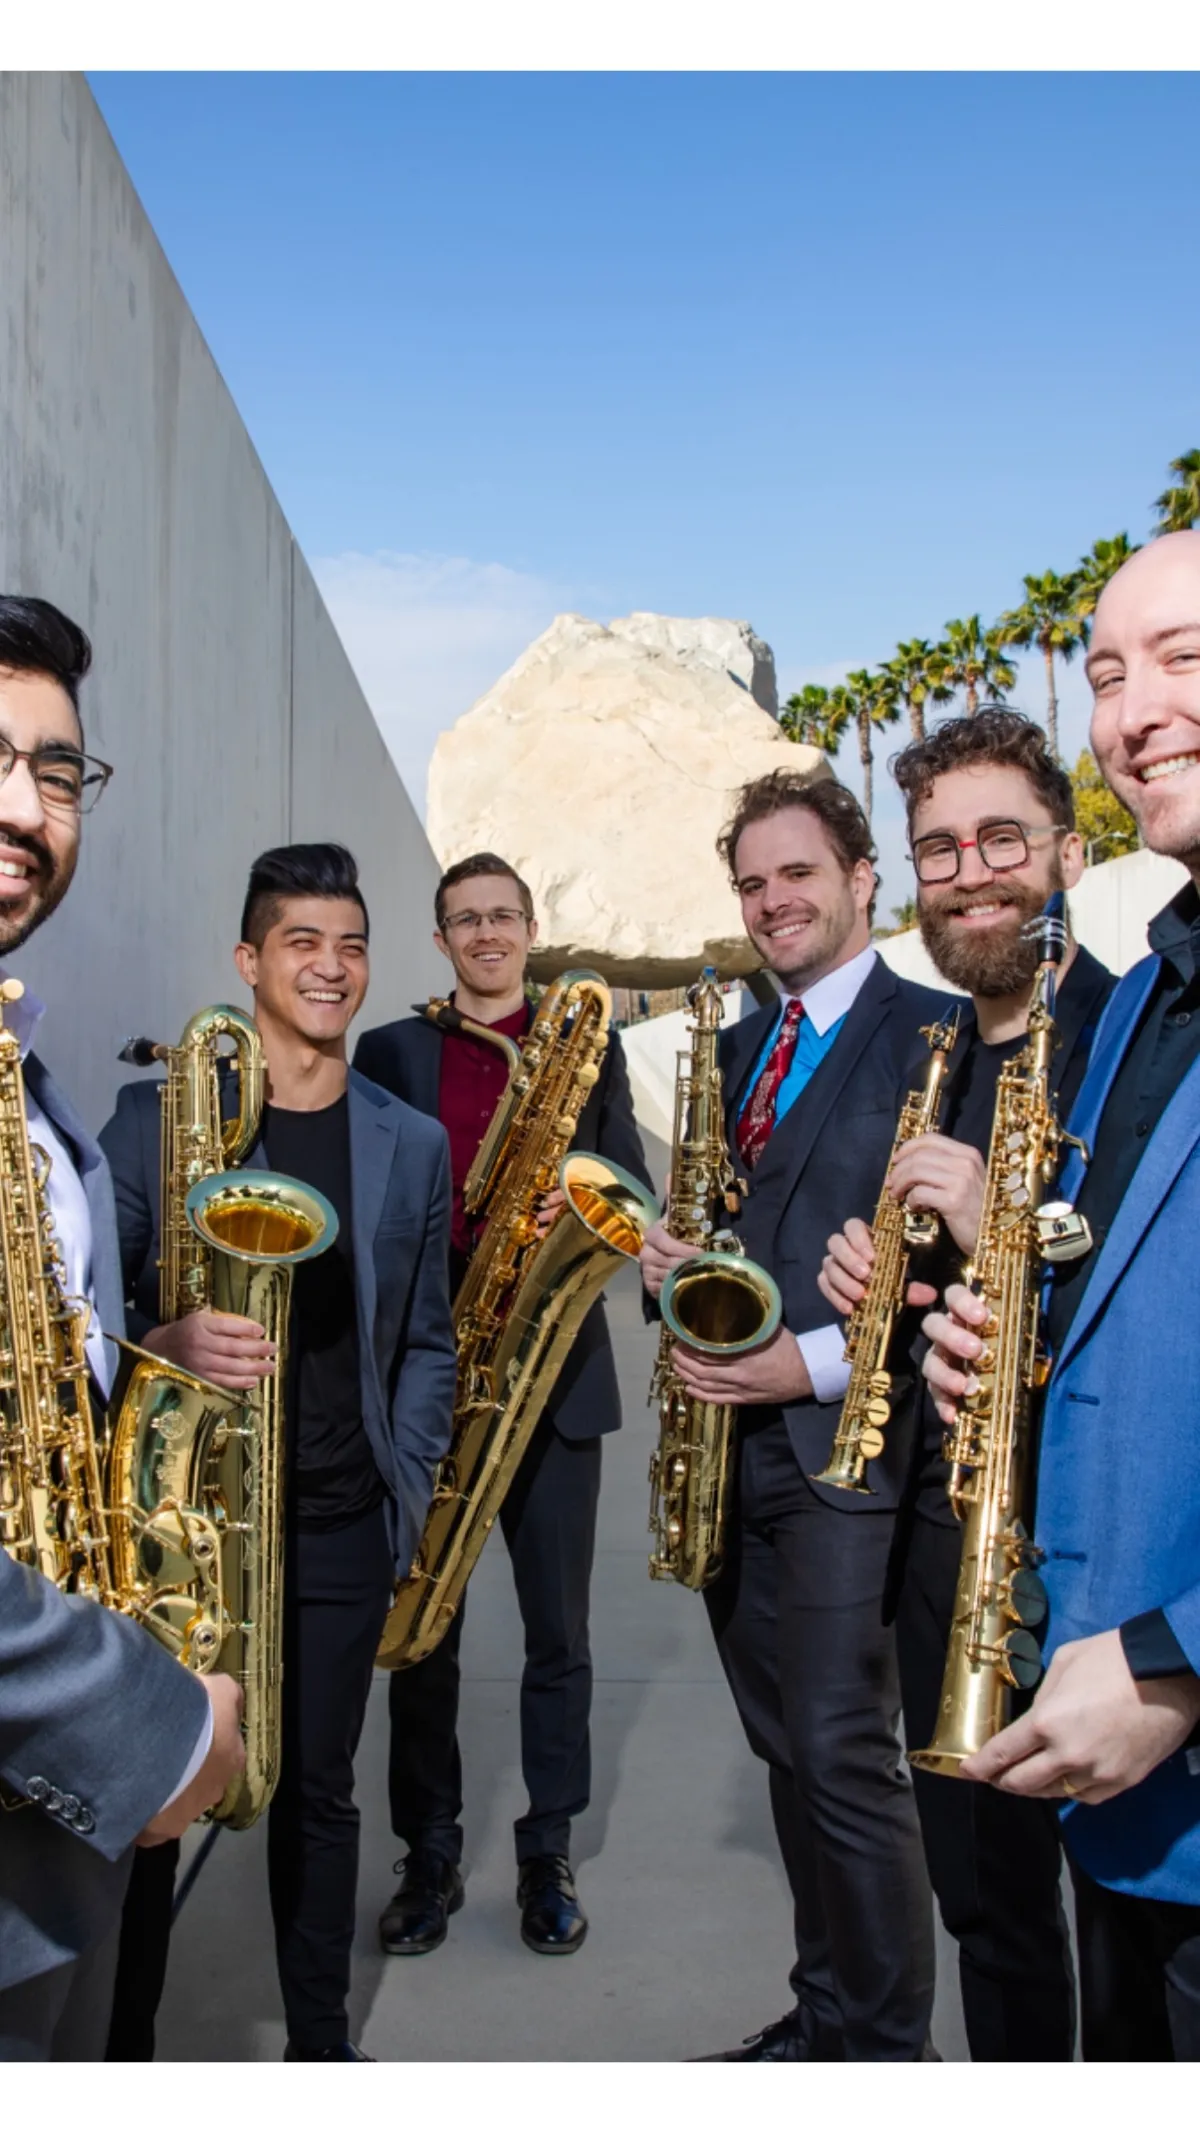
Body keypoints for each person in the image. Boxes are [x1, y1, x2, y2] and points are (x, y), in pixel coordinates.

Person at [101, 842, 456, 2062]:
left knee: (319, 1792)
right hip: (186, 1531)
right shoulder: (154, 1121)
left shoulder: (410, 1141)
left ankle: (319, 2053)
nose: (331, 966)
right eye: (302, 942)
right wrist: (162, 1341)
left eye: (351, 945)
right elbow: (85, 1316)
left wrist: (408, 1486)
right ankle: (120, 2061)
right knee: (155, 1796)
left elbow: (427, 1338)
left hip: (342, 1520)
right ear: (248, 961)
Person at [923, 530, 1200, 2060]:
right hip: (1125, 1798)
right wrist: (1007, 1342)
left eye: (1183, 658)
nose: (1135, 709)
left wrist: (1174, 1660)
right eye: (1106, 673)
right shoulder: (1155, 992)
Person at [818, 709, 1114, 2060]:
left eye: (1003, 838)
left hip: (1101, 1547)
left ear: (1067, 849)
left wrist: (998, 1208)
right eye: (940, 849)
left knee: (1133, 1926)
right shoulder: (934, 1054)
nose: (972, 872)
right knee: (991, 1913)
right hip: (952, 1535)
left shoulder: (1135, 1031)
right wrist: (872, 1279)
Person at [640, 769, 948, 2062]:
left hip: (846, 1452)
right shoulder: (740, 1051)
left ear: (863, 879)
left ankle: (884, 2052)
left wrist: (806, 1367)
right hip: (732, 1451)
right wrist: (672, 1263)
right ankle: (827, 2013)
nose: (773, 901)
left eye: (799, 873)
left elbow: (956, 1276)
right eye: (753, 882)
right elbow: (734, 1237)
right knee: (785, 1749)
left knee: (839, 1753)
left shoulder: (934, 1036)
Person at [0, 594, 244, 2063]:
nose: (24, 809)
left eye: (57, 771)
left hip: (52, 1832)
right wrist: (154, 1725)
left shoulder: (36, 1100)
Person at [353, 851, 652, 1958]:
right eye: (465, 920)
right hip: (430, 1376)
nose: (486, 934)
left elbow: (626, 1183)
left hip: (555, 1379)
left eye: (503, 916)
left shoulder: (588, 1046)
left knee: (558, 1635)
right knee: (422, 1626)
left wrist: (566, 1224)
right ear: (441, 940)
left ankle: (547, 1849)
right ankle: (428, 1852)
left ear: (530, 929)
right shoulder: (392, 1051)